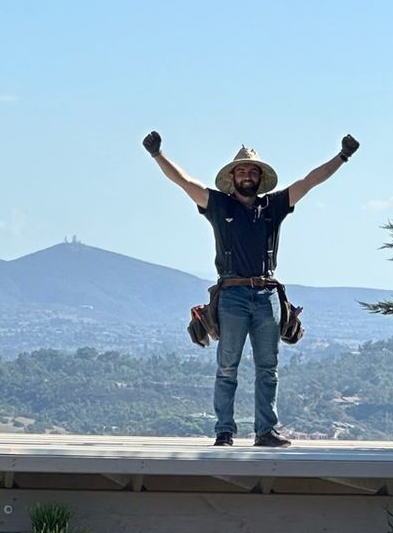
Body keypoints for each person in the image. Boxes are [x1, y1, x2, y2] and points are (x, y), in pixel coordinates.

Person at [143, 131, 359, 446]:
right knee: (227, 365)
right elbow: (184, 182)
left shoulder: (274, 206)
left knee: (268, 367)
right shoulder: (217, 205)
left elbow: (310, 181)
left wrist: (342, 156)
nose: (247, 175)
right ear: (233, 177)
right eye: (242, 170)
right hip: (231, 294)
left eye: (252, 170)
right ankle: (224, 431)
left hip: (267, 294)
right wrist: (158, 155)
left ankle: (266, 431)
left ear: (260, 177)